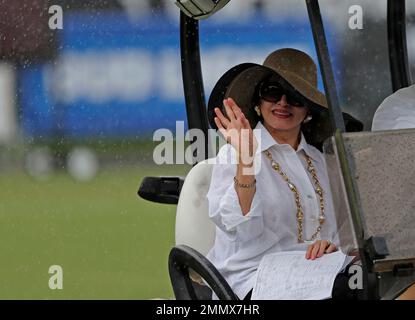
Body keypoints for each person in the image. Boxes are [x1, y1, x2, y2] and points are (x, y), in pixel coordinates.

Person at [205, 48, 415, 300]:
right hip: (252, 281)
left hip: (317, 275)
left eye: (295, 97)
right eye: (272, 92)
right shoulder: (235, 154)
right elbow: (241, 229)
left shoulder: (321, 161)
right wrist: (247, 161)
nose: (282, 102)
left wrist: (333, 246)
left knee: (390, 275)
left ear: (309, 110)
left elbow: (344, 234)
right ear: (259, 102)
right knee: (360, 286)